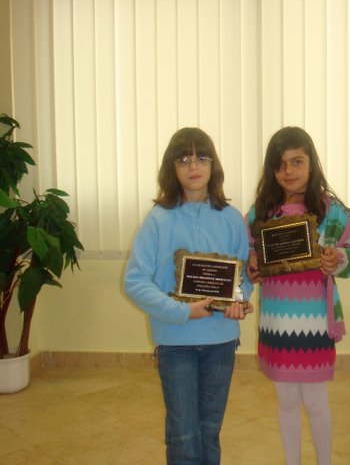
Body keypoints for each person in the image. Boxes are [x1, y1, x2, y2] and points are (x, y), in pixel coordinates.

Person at [124, 127, 254, 465]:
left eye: (201, 157)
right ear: (172, 168)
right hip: (175, 343)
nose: (193, 166)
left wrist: (238, 301)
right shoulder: (157, 220)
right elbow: (134, 280)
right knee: (183, 435)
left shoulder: (232, 219)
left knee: (210, 431)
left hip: (221, 343)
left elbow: (242, 279)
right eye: (183, 159)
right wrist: (181, 312)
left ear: (213, 165)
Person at [245, 126, 350, 465]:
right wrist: (251, 266)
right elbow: (248, 257)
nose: (289, 171)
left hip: (316, 322)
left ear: (312, 164)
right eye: (280, 164)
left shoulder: (332, 211)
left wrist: (338, 259)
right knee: (286, 401)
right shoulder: (260, 213)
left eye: (297, 162)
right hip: (276, 321)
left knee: (315, 401)